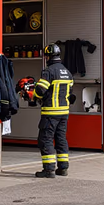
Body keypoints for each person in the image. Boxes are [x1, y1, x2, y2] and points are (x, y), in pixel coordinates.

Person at [32, 44, 74, 178]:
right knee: (61, 138)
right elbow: (70, 93)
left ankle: (49, 169)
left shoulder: (49, 71)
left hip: (50, 113)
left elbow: (40, 91)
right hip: (64, 113)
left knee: (45, 139)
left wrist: (32, 95)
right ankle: (63, 168)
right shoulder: (67, 72)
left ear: (48, 56)